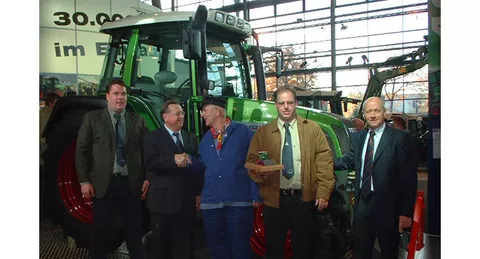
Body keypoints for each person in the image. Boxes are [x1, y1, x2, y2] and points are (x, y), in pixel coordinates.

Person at [246, 86, 335, 259]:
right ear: (275, 105)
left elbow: (324, 161)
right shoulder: (263, 133)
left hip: (303, 200)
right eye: (281, 103)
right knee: (274, 250)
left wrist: (324, 192)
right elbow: (252, 160)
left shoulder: (312, 129)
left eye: (289, 103)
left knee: (303, 249)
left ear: (296, 104)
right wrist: (259, 174)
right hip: (274, 201)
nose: (286, 107)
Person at [334, 97, 418, 259]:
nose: (372, 115)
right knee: (361, 252)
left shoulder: (399, 139)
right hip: (362, 206)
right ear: (364, 114)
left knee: (388, 252)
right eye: (369, 111)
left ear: (384, 113)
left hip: (388, 208)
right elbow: (348, 161)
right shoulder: (359, 138)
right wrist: (320, 163)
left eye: (376, 111)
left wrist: (406, 213)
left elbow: (408, 179)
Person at [75, 79, 149, 259]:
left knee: (134, 233)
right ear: (108, 96)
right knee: (101, 233)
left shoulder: (137, 120)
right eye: (116, 94)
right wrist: (84, 181)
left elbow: (146, 152)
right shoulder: (92, 119)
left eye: (123, 94)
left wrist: (147, 178)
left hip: (131, 184)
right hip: (103, 185)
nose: (120, 98)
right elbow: (82, 150)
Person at [198, 96, 262, 259]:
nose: (201, 114)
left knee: (241, 248)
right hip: (211, 204)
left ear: (217, 110)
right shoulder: (205, 141)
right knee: (217, 250)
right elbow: (202, 168)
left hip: (239, 202)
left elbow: (254, 164)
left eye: (204, 110)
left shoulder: (243, 132)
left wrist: (256, 194)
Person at [143, 100, 204, 259]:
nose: (181, 116)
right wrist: (173, 159)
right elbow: (150, 163)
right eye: (177, 113)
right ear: (165, 117)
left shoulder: (190, 137)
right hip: (163, 203)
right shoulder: (153, 137)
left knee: (186, 245)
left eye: (182, 113)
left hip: (186, 202)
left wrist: (198, 193)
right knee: (162, 247)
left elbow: (196, 168)